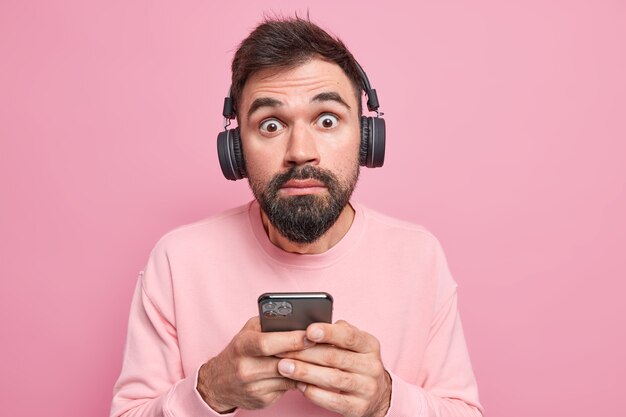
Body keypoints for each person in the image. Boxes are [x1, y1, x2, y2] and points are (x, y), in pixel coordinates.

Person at [111, 16, 484, 417]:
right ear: (236, 150)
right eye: (271, 125)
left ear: (366, 137)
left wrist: (386, 401)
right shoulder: (176, 261)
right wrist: (211, 390)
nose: (300, 151)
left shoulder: (419, 257)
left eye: (326, 120)